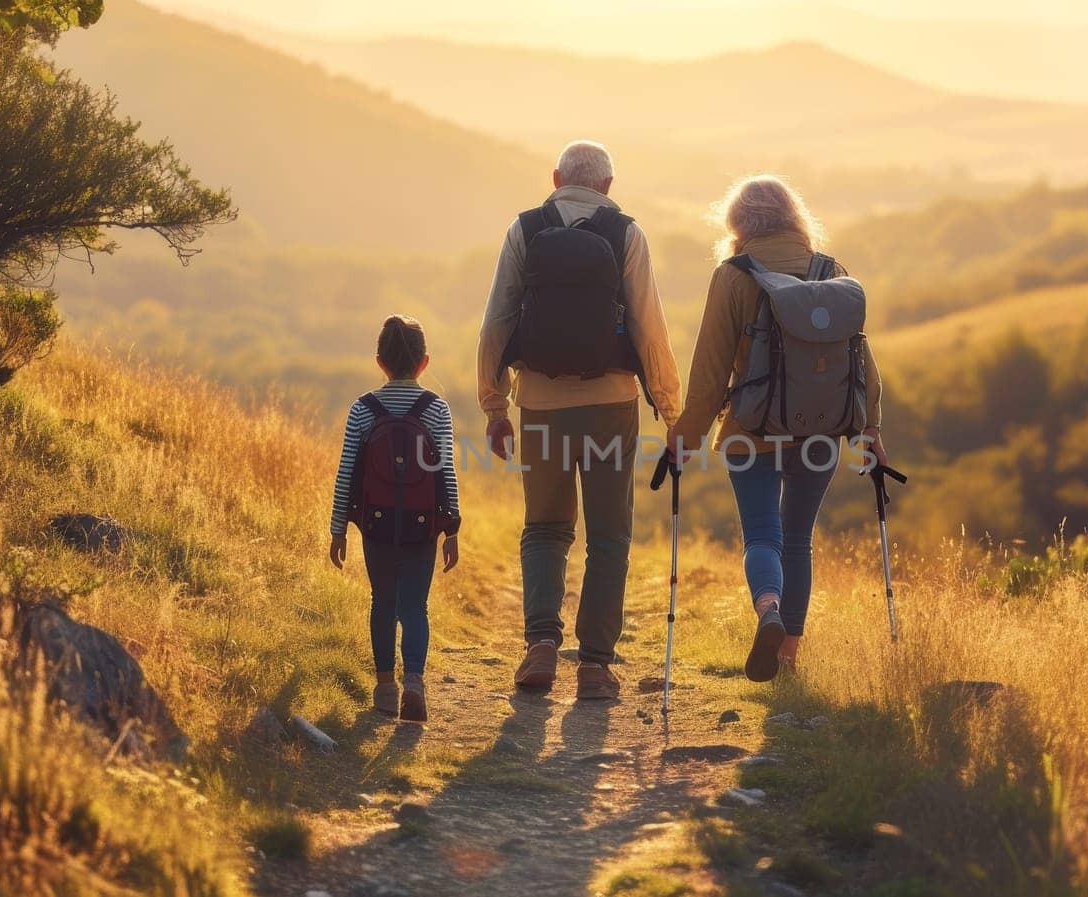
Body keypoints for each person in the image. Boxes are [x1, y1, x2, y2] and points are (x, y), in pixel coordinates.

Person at [477, 140, 682, 699]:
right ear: (608, 188)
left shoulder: (525, 229)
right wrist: (672, 411)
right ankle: (594, 665)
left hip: (539, 402)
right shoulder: (627, 234)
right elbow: (649, 329)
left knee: (544, 527)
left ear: (555, 177)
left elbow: (496, 321)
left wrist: (495, 406)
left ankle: (541, 644)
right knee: (609, 534)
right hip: (611, 405)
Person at [667, 175, 886, 681]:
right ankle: (787, 656)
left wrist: (685, 439)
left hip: (752, 430)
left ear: (738, 223)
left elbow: (709, 372)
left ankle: (767, 606)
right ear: (794, 217)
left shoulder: (733, 275)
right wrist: (870, 429)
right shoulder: (831, 272)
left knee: (762, 535)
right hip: (823, 432)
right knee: (797, 540)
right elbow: (863, 364)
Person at [330, 315, 461, 723]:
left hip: (377, 523)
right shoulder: (436, 408)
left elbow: (346, 469)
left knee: (382, 603)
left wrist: (338, 528)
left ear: (379, 362)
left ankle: (386, 687)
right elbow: (446, 472)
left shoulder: (363, 409)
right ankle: (416, 684)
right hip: (423, 526)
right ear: (424, 363)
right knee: (416, 607)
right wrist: (451, 528)